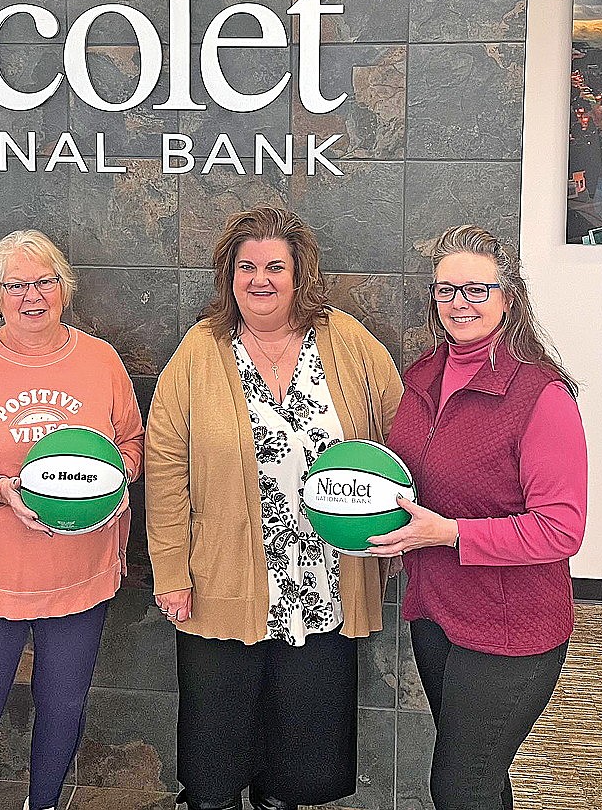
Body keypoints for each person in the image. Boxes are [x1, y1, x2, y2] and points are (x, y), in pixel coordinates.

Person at [145, 206, 403, 810]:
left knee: (300, 754)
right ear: (229, 275)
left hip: (324, 583)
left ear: (299, 273)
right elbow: (164, 465)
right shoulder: (203, 349)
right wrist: (172, 571)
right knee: (215, 749)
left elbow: (400, 429)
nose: (260, 280)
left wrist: (394, 526)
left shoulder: (344, 339)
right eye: (246, 267)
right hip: (220, 581)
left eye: (274, 267)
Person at [0, 229, 144, 810]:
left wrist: (111, 483)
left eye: (43, 282)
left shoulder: (100, 360)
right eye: (16, 285)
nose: (31, 296)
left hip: (80, 576)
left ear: (64, 289)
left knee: (64, 709)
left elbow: (133, 444)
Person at [370, 225, 587, 810]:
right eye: (446, 290)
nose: (459, 303)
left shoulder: (542, 397)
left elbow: (562, 527)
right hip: (436, 610)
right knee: (482, 778)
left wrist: (448, 533)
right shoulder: (419, 379)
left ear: (506, 297)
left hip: (512, 628)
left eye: (476, 289)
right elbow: (408, 480)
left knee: (458, 787)